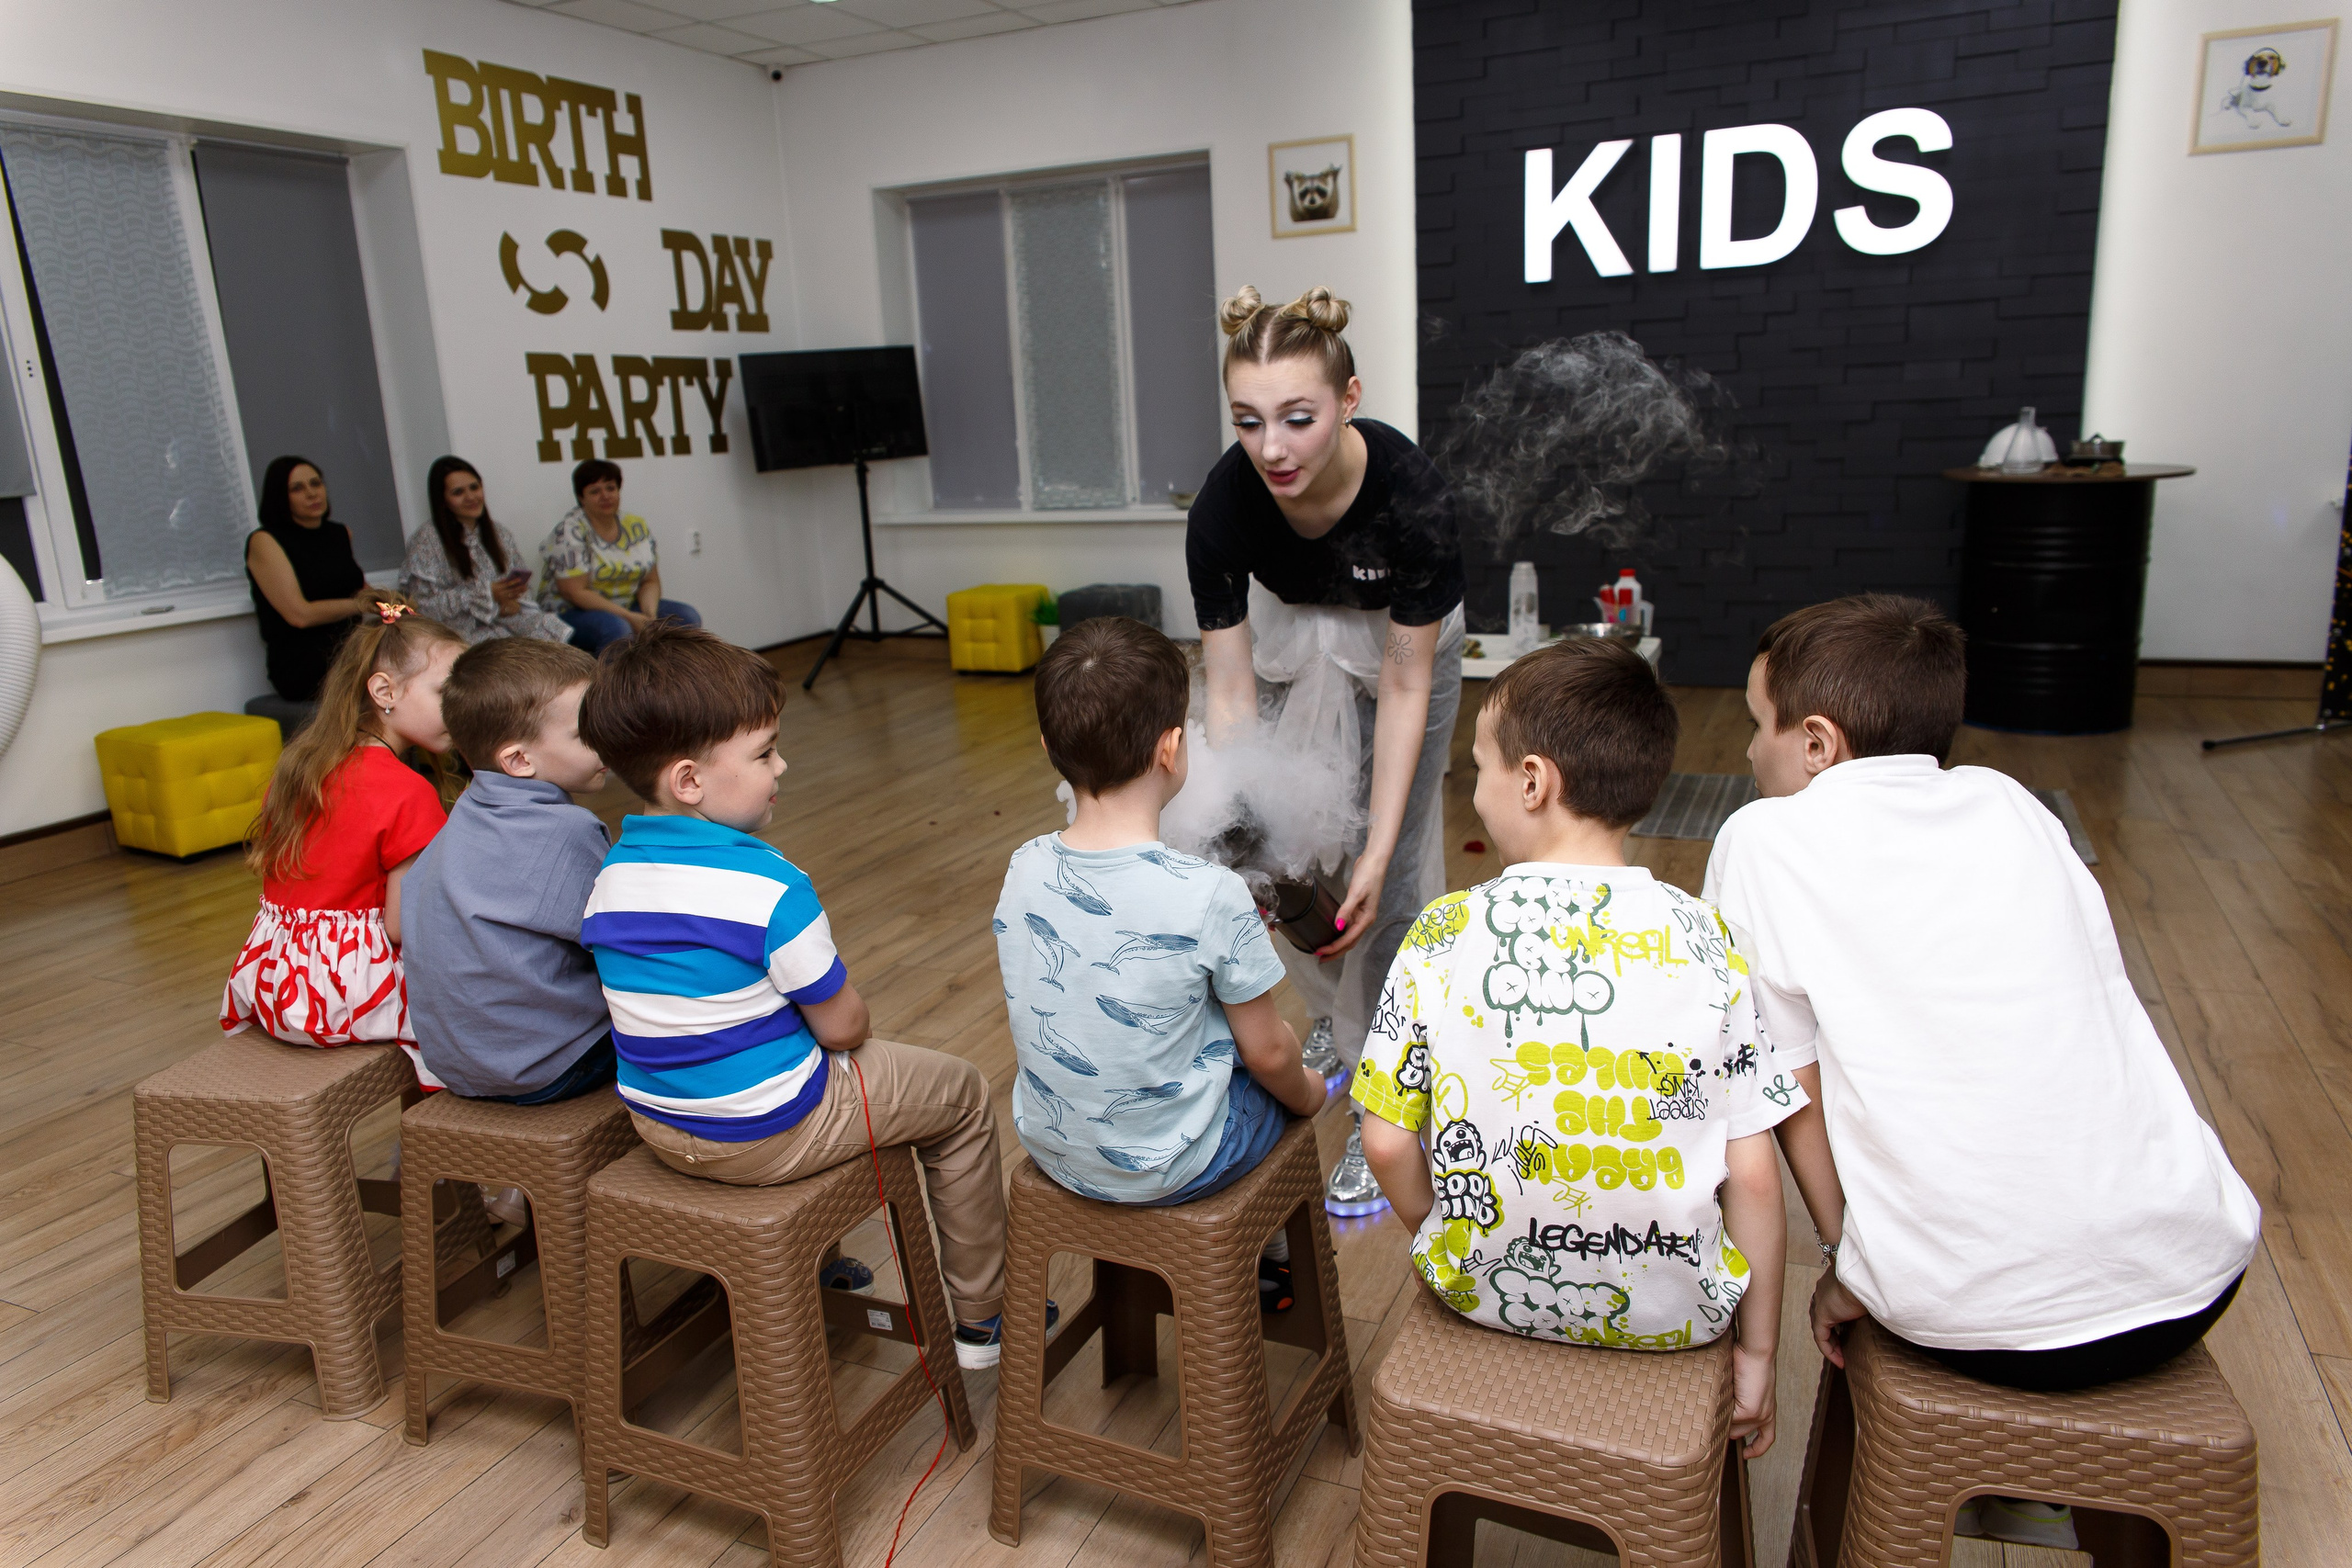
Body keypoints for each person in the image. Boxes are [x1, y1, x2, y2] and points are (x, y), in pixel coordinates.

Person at [1703, 596, 2260, 1539]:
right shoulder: (2011, 806)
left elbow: (1785, 1086)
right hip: (2194, 1273)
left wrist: (1855, 1265)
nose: (1748, 753)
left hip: (1968, 1319)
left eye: (1758, 727)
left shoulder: (1763, 840)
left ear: (1816, 743)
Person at [1351, 637, 1799, 1459]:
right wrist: (1760, 1352)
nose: (1474, 790)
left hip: (1479, 1289)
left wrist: (1441, 1236)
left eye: (1479, 766)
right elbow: (1758, 1176)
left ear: (1532, 780)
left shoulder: (1442, 933)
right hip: (1678, 1314)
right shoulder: (1709, 940)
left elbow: (1383, 1140)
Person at [576, 623, 1018, 1368]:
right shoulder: (771, 884)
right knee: (964, 1094)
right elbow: (845, 1027)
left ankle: (818, 1261)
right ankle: (984, 1318)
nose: (783, 763)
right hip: (767, 1129)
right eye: (763, 752)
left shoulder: (608, 878)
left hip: (660, 1123)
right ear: (690, 779)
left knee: (782, 1045)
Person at [1187, 285, 1467, 1204]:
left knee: (1385, 885)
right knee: (1288, 871)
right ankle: (1331, 1027)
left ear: (1349, 401)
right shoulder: (1224, 509)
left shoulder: (1414, 499)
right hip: (1284, 639)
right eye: (1249, 421)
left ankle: (1384, 1108)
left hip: (1397, 654)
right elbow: (1228, 691)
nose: (1271, 448)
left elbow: (1404, 681)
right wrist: (1250, 830)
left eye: (1297, 419)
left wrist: (1382, 845)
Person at [995, 617, 1326, 1307]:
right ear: (1173, 748)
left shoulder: (1023, 866)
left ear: (1050, 745)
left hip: (1054, 1148)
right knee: (1269, 1077)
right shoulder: (1210, 892)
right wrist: (1310, 1095)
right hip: (1172, 1164)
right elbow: (1267, 1053)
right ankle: (1264, 1259)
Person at [221, 599, 465, 1089]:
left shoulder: (301, 768)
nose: (464, 710)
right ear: (384, 691)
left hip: (271, 982)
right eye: (448, 693)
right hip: (343, 997)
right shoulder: (408, 792)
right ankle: (430, 1150)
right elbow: (401, 927)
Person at [403, 637, 617, 1108]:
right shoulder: (566, 829)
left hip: (457, 1065)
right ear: (519, 760)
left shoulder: (462, 814)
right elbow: (622, 942)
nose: (608, 738)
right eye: (586, 733)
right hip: (547, 1068)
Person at [245, 455, 389, 702]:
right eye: (297, 488)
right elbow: (300, 615)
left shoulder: (340, 533)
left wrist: (392, 605)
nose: (312, 493)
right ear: (281, 497)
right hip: (302, 664)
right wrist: (359, 605)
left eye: (316, 483)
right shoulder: (264, 541)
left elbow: (359, 589)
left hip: (349, 651)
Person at [401, 456, 572, 646]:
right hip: (457, 632)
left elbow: (521, 586)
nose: (471, 497)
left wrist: (512, 598)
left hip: (506, 620)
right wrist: (482, 595)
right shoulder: (426, 540)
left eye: (474, 487)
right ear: (443, 500)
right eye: (458, 492)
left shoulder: (499, 533)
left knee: (548, 628)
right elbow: (422, 605)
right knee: (503, 647)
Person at [538, 459, 701, 654]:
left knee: (687, 617)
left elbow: (650, 581)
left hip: (626, 605)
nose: (605, 496)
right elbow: (574, 592)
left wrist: (649, 615)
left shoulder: (635, 525)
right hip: (571, 612)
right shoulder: (569, 531)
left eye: (611, 488)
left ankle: (673, 682)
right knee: (618, 629)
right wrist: (629, 617)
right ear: (581, 497)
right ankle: (612, 685)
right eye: (595, 491)